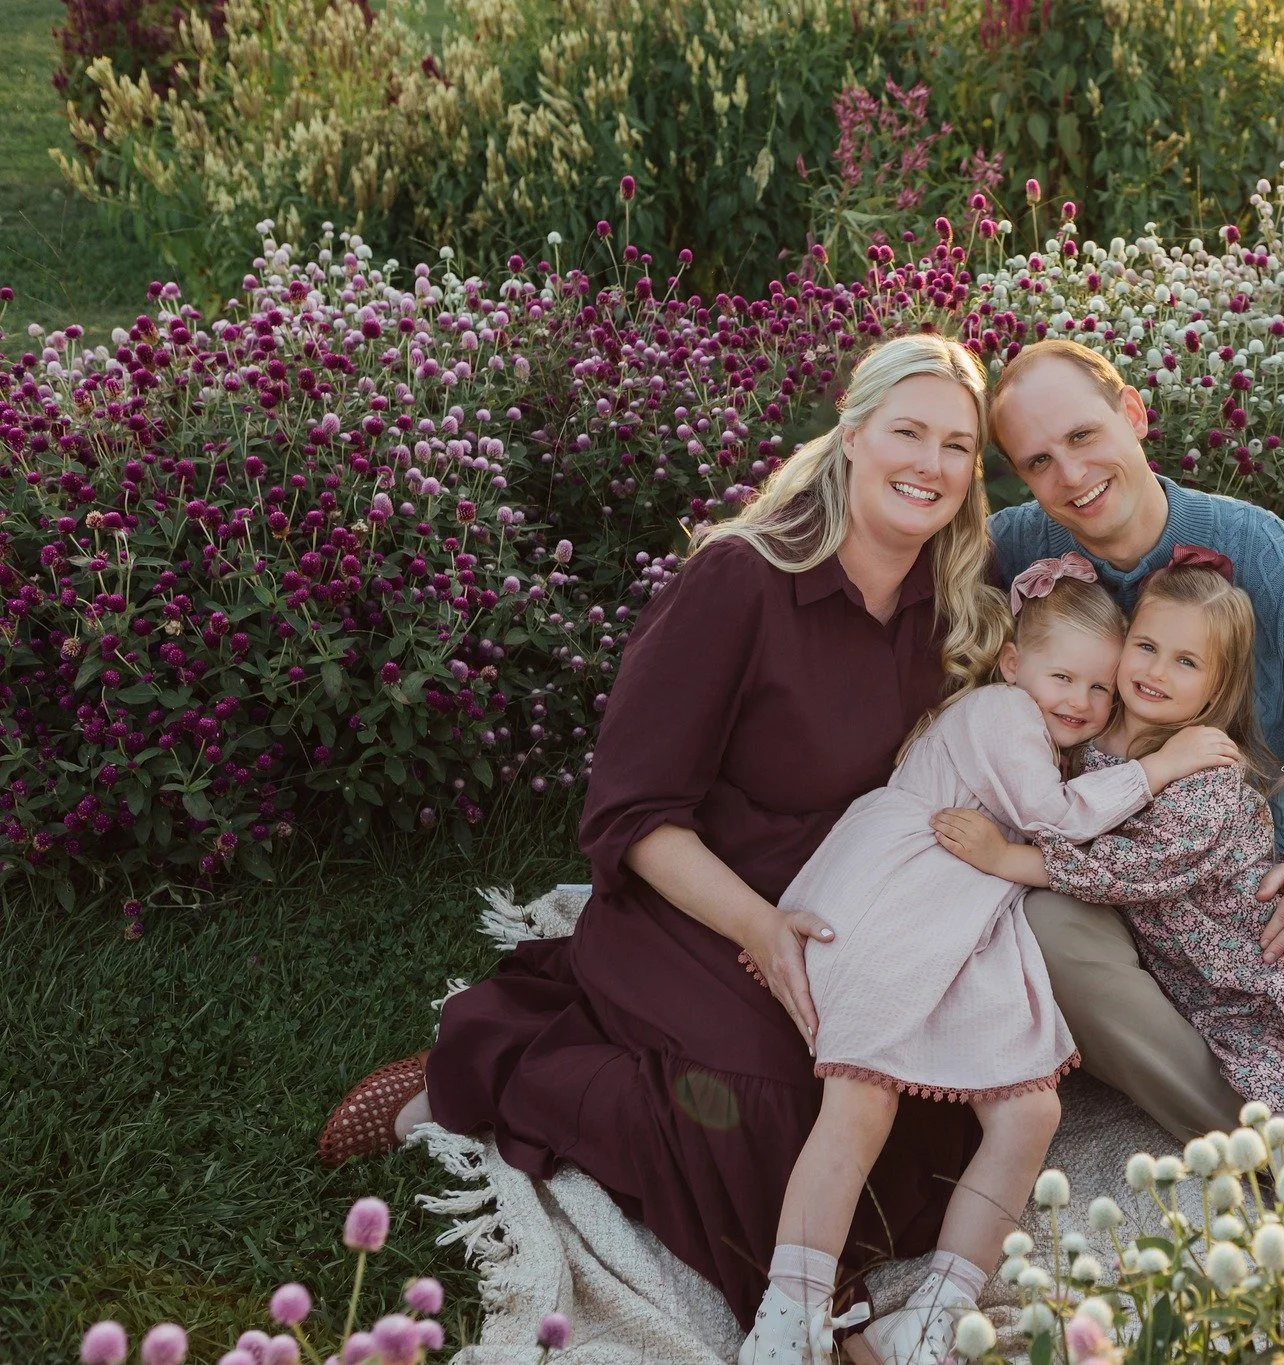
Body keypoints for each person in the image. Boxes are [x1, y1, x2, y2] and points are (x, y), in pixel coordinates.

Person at [317, 334, 1012, 1330]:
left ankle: (594, 1040)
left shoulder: (942, 596)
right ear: (851, 434)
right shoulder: (739, 579)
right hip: (696, 903)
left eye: (956, 446)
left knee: (924, 1107)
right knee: (771, 1112)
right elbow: (634, 811)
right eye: (907, 432)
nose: (930, 465)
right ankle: (499, 1065)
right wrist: (761, 933)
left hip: (845, 909)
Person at [743, 559, 1238, 1365]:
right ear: (1014, 663)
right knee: (862, 1098)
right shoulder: (1003, 712)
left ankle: (938, 1313)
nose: (1079, 701)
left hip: (972, 910)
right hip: (901, 891)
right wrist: (1161, 765)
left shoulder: (1050, 732)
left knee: (1033, 1111)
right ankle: (786, 1316)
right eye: (1062, 676)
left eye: (1099, 690)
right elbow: (1050, 816)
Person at [984, 339, 1284, 1139]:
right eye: (1039, 460)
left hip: (1227, 867)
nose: (1071, 476)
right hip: (1087, 863)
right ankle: (1260, 1134)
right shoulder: (1023, 548)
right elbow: (913, 546)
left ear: (1133, 414)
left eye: (1083, 437)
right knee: (1043, 931)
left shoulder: (1265, 555)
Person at [933, 549, 1284, 1112]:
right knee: (1267, 1065)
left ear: (1217, 687)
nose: (1155, 672)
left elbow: (1132, 868)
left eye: (1186, 662)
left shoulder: (1203, 768)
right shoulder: (1090, 733)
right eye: (1145, 648)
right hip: (1205, 971)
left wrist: (1005, 858)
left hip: (1261, 942)